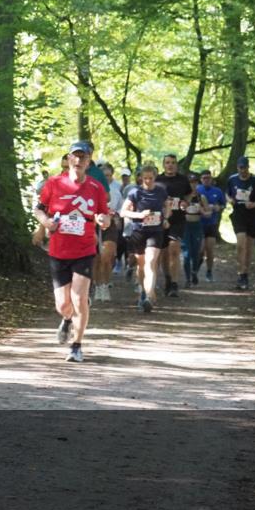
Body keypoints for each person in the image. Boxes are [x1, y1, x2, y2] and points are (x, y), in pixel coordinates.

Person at [33, 141, 110, 363]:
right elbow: (38, 209)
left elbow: (104, 217)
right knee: (63, 305)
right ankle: (67, 320)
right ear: (68, 158)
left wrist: (103, 221)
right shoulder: (54, 183)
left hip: (85, 248)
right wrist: (47, 223)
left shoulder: (96, 188)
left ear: (89, 161)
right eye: (75, 156)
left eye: (83, 157)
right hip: (58, 250)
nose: (78, 161)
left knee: (79, 298)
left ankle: (77, 345)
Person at [120, 164, 169, 313]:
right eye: (145, 178)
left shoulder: (161, 191)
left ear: (155, 177)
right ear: (141, 177)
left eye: (151, 178)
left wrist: (165, 218)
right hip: (139, 232)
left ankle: (149, 296)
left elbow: (167, 206)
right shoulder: (135, 192)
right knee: (141, 265)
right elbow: (123, 212)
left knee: (151, 262)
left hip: (156, 231)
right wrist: (139, 215)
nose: (148, 181)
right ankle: (143, 291)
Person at [226, 156, 255, 290]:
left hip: (253, 215)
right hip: (239, 214)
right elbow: (226, 194)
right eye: (240, 168)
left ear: (248, 167)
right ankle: (240, 273)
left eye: (244, 168)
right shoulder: (232, 179)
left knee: (249, 247)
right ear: (237, 167)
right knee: (241, 244)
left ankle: (245, 274)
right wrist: (230, 200)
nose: (242, 170)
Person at [154, 153, 192, 298]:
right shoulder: (158, 180)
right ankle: (168, 279)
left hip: (177, 220)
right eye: (168, 162)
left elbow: (188, 194)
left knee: (174, 249)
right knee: (163, 253)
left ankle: (175, 283)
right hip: (161, 221)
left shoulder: (183, 180)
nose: (170, 165)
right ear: (164, 165)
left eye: (173, 162)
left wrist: (185, 202)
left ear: (177, 165)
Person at [92, 163, 123, 302]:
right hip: (93, 225)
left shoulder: (116, 192)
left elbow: (121, 209)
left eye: (109, 176)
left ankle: (104, 284)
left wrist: (116, 217)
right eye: (104, 176)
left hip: (110, 226)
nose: (107, 178)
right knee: (96, 259)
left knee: (106, 257)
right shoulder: (91, 189)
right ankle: (97, 285)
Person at [180, 173, 210, 287]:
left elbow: (208, 213)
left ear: (197, 183)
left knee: (196, 253)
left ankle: (194, 272)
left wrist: (202, 211)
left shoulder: (201, 197)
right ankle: (187, 279)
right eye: (190, 182)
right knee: (186, 253)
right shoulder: (183, 197)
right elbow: (178, 210)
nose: (192, 185)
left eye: (195, 182)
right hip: (186, 226)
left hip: (197, 226)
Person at [196, 169, 226, 282]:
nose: (206, 180)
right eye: (204, 178)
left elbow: (223, 204)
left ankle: (209, 272)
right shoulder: (198, 190)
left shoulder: (217, 191)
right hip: (199, 223)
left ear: (211, 179)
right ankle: (195, 270)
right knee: (200, 249)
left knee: (210, 249)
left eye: (208, 178)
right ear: (201, 179)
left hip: (212, 224)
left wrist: (219, 208)